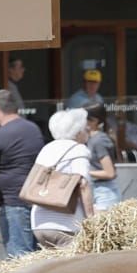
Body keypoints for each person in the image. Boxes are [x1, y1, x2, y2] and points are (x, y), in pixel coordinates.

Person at [0, 89, 44, 258]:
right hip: (36, 200)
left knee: (18, 258)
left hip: (14, 204)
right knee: (36, 257)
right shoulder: (33, 129)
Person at [27, 108, 97, 252]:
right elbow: (83, 185)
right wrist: (91, 218)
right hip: (66, 224)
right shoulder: (79, 150)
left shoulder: (47, 148)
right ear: (78, 132)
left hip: (39, 223)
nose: (88, 130)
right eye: (85, 128)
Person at [84, 106, 121, 210]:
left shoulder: (99, 140)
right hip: (95, 190)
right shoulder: (90, 139)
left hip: (104, 193)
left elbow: (110, 173)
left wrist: (86, 172)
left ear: (94, 121)